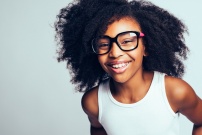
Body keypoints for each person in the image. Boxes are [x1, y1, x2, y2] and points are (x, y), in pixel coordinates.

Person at [54, 0, 202, 134]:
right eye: (104, 44)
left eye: (126, 41)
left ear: (146, 47)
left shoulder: (174, 91)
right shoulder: (93, 102)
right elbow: (97, 128)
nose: (115, 53)